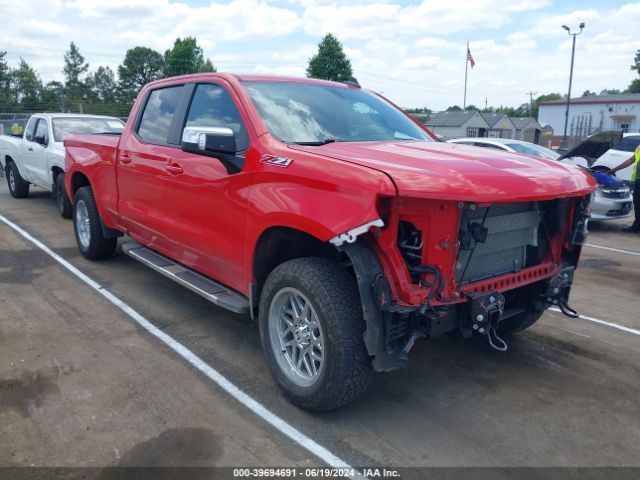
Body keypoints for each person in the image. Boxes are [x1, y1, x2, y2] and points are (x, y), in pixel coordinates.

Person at [608, 143, 640, 233]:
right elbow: (631, 160)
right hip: (638, 179)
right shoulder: (639, 147)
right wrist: (614, 169)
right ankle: (637, 226)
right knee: (637, 204)